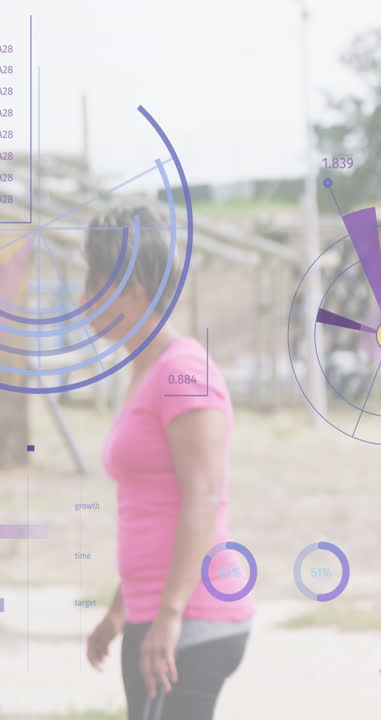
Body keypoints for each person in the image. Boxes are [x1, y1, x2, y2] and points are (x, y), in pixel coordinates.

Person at [80, 207, 253, 720]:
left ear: (134, 292)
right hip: (155, 610)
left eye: (94, 281)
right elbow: (153, 505)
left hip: (191, 617)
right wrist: (119, 610)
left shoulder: (183, 371)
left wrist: (170, 615)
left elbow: (203, 496)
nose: (82, 297)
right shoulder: (148, 371)